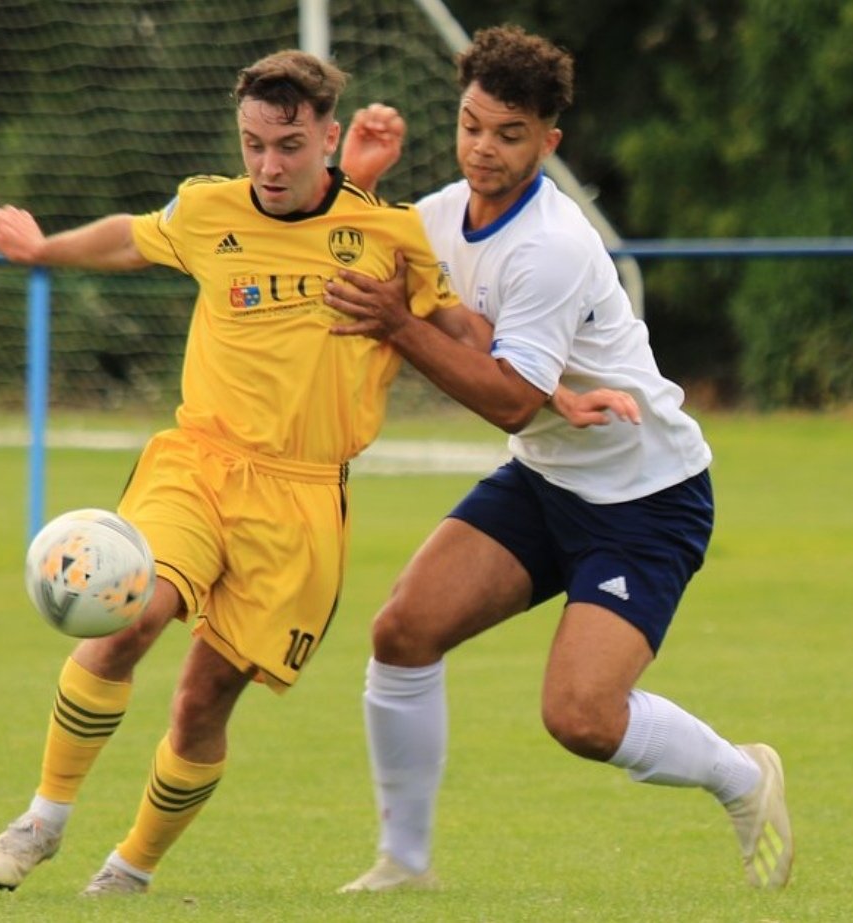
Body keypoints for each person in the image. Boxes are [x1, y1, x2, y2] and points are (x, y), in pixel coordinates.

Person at [0, 48, 491, 897]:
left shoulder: (392, 237)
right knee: (127, 618)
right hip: (201, 463)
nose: (268, 164)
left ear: (327, 136)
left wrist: (553, 382)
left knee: (202, 699)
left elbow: (467, 340)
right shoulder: (210, 208)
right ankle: (43, 818)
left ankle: (129, 869)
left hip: (305, 497)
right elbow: (133, 237)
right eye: (253, 143)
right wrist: (44, 248)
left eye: (288, 145)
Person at [326, 24, 793, 893]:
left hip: (645, 497)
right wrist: (358, 181)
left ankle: (741, 774)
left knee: (580, 715)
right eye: (472, 126)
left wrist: (399, 325)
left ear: (550, 141)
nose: (485, 149)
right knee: (402, 630)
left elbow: (501, 393)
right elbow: (348, 249)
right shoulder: (434, 218)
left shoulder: (553, 245)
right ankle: (406, 865)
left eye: (510, 134)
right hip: (547, 476)